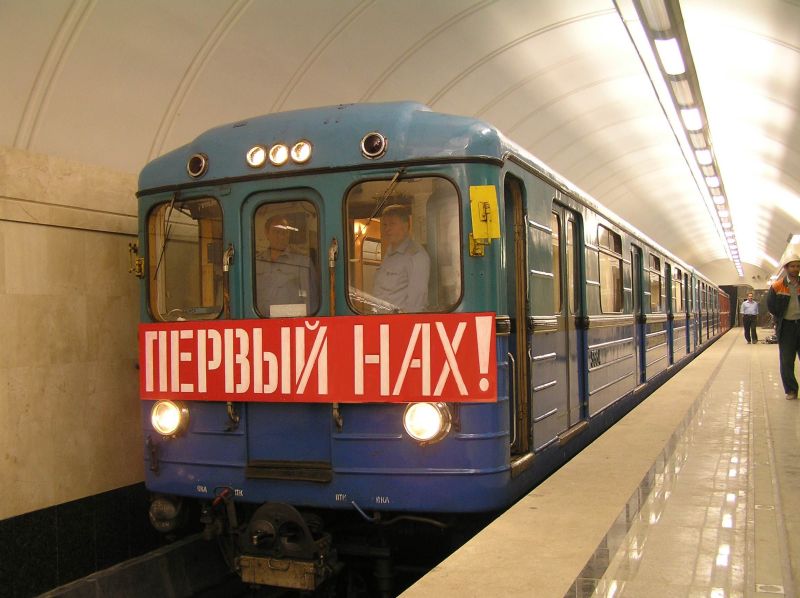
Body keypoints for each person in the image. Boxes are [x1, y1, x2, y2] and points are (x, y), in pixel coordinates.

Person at [255, 215, 317, 317]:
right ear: (267, 233)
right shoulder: (256, 263)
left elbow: (312, 302)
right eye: (276, 232)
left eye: (285, 232)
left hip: (291, 323)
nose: (281, 236)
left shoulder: (303, 262)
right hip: (257, 323)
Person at [372, 204, 430, 312]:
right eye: (385, 225)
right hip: (380, 319)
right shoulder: (389, 254)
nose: (387, 229)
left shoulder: (416, 256)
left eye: (392, 224)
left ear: (405, 226)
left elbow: (416, 304)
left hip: (399, 321)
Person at [767, 252, 800, 400]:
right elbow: (771, 305)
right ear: (786, 268)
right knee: (786, 361)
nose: (795, 269)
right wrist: (780, 316)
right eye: (792, 266)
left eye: (798, 266)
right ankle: (791, 390)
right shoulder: (777, 286)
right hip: (786, 327)